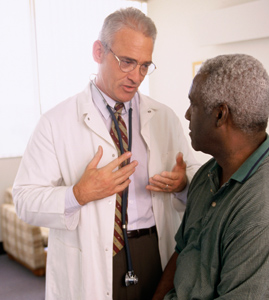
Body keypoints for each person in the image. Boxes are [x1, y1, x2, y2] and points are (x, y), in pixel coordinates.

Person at [13, 7, 200, 300]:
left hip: (154, 249)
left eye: (144, 65)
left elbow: (194, 183)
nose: (136, 76)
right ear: (98, 51)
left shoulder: (165, 118)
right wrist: (78, 194)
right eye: (127, 62)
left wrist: (183, 184)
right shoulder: (55, 121)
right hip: (92, 256)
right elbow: (24, 200)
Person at [153, 54, 269, 300]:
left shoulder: (267, 213)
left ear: (220, 115)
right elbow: (182, 252)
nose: (187, 115)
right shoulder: (207, 175)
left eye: (193, 104)